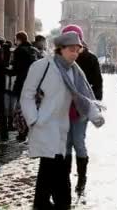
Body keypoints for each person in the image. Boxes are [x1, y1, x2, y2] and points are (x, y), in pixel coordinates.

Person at [20, 31, 104, 209]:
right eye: (71, 50)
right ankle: (56, 203)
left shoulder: (75, 70)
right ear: (60, 49)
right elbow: (26, 95)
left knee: (51, 170)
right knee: (55, 171)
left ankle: (44, 203)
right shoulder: (42, 66)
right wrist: (33, 119)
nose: (75, 53)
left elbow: (83, 95)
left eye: (77, 50)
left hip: (62, 127)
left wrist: (95, 115)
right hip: (44, 125)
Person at [60, 24, 103, 196]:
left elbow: (98, 83)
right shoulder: (59, 59)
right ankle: (65, 178)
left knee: (78, 141)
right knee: (66, 144)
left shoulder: (90, 59)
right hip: (62, 107)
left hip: (81, 108)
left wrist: (94, 103)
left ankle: (82, 178)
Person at [11, 32, 39, 133]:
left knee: (21, 106)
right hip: (34, 82)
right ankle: (31, 127)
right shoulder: (34, 50)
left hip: (22, 81)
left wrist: (6, 70)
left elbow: (16, 69)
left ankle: (22, 131)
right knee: (31, 104)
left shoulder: (19, 51)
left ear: (19, 39)